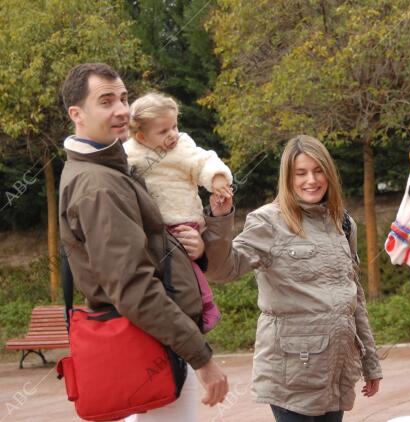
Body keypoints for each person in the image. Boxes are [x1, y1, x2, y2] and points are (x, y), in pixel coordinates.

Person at [57, 63, 229, 421]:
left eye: (123, 98)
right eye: (106, 101)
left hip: (152, 338)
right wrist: (202, 356)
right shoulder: (99, 185)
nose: (121, 110)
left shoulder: (110, 169)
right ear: (77, 114)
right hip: (148, 342)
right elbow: (133, 286)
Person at [202, 135, 383, 421]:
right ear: (288, 177)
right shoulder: (268, 221)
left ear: (329, 173)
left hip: (336, 370)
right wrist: (220, 219)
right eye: (300, 173)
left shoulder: (344, 223)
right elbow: (223, 270)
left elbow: (355, 298)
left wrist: (370, 362)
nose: (310, 180)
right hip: (289, 371)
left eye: (317, 170)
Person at [124, 92, 234, 332]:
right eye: (163, 131)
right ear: (142, 136)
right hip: (152, 226)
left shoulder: (183, 146)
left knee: (185, 270)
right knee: (161, 273)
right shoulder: (130, 153)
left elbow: (202, 161)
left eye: (174, 126)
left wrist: (216, 178)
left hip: (184, 222)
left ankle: (204, 307)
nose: (172, 134)